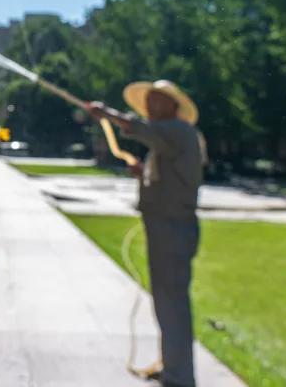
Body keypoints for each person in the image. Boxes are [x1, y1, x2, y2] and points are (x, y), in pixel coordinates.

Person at [88, 80, 205, 387]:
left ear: (173, 106)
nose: (150, 106)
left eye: (157, 100)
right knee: (167, 303)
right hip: (167, 229)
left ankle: (179, 377)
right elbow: (170, 177)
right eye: (149, 100)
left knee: (172, 304)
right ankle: (173, 367)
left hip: (172, 230)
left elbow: (137, 127)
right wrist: (143, 174)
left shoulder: (177, 130)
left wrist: (106, 113)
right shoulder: (171, 137)